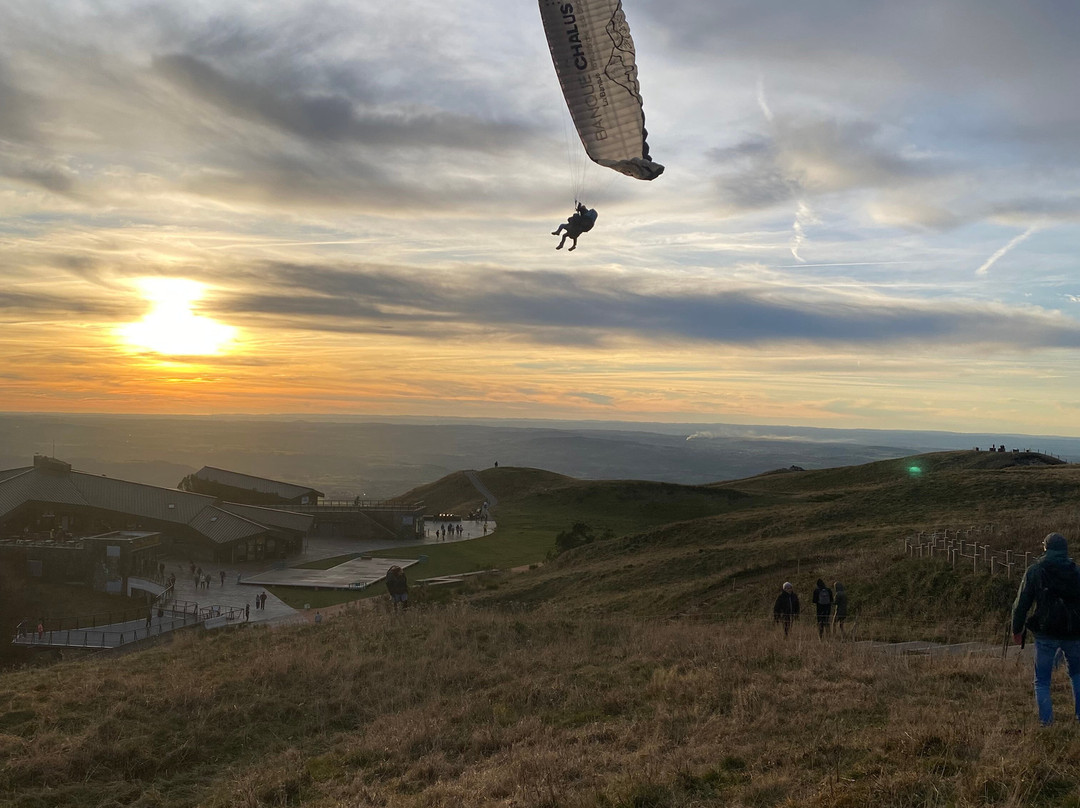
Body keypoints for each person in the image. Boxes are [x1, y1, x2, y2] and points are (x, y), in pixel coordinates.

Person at [1011, 532, 1080, 726]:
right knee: (1077, 674)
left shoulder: (1035, 570)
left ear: (1045, 548)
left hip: (1046, 632)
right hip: (1074, 632)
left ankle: (1047, 722)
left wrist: (1017, 629)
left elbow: (1021, 603)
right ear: (1065, 550)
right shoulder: (1077, 572)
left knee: (1042, 680)